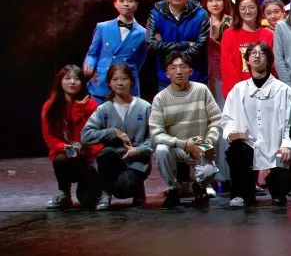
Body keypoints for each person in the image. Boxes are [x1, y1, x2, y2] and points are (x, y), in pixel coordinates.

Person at [220, 42, 291, 207]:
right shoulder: (239, 90)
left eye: (262, 53)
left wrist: (287, 145)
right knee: (236, 151)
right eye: (253, 53)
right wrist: (232, 133)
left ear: (269, 60)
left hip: (276, 147)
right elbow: (227, 119)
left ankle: (278, 190)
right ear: (247, 60)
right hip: (248, 146)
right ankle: (241, 193)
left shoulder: (283, 90)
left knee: (279, 197)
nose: (257, 56)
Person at [149, 52, 222, 208]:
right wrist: (183, 144)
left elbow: (216, 120)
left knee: (209, 170)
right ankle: (172, 188)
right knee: (161, 150)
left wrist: (208, 142)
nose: (179, 71)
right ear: (166, 73)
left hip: (200, 144)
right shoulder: (160, 98)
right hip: (176, 146)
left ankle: (200, 186)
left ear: (191, 71)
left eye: (183, 67)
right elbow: (156, 133)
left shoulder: (202, 90)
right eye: (173, 68)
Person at [81, 63, 152, 210]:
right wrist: (113, 132)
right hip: (111, 162)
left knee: (123, 188)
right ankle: (106, 192)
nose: (120, 83)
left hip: (136, 163)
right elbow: (85, 135)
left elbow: (155, 137)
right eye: (115, 79)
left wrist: (139, 150)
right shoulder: (103, 109)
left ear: (131, 81)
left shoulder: (145, 107)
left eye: (124, 79)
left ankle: (138, 190)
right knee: (85, 198)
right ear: (109, 83)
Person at [41, 66, 101, 209]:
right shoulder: (50, 106)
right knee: (60, 159)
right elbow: (48, 135)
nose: (73, 82)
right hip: (69, 152)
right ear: (60, 81)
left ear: (82, 83)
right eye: (68, 78)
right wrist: (65, 147)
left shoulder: (91, 105)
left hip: (88, 156)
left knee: (88, 201)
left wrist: (78, 110)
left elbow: (88, 136)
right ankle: (64, 194)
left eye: (77, 79)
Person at [83, 0, 148, 101]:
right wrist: (90, 65)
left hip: (127, 88)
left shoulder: (143, 33)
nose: (126, 4)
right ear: (115, 3)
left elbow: (139, 61)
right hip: (101, 85)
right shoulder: (103, 27)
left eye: (130, 1)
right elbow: (92, 53)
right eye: (122, 1)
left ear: (136, 4)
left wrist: (128, 75)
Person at [146, 0, 210, 90]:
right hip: (166, 77)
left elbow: (201, 45)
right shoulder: (156, 14)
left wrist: (166, 48)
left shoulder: (201, 14)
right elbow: (151, 44)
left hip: (195, 77)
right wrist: (185, 44)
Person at [220, 0, 276, 97]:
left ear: (257, 9)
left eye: (251, 7)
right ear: (238, 11)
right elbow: (227, 67)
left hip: (265, 92)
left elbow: (272, 66)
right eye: (243, 8)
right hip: (238, 93)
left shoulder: (269, 35)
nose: (247, 11)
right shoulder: (229, 35)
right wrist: (239, 93)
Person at [201, 0, 234, 104]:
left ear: (224, 1)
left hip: (228, 71)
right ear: (205, 3)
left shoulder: (230, 21)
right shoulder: (202, 22)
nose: (214, 4)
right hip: (205, 73)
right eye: (210, 0)